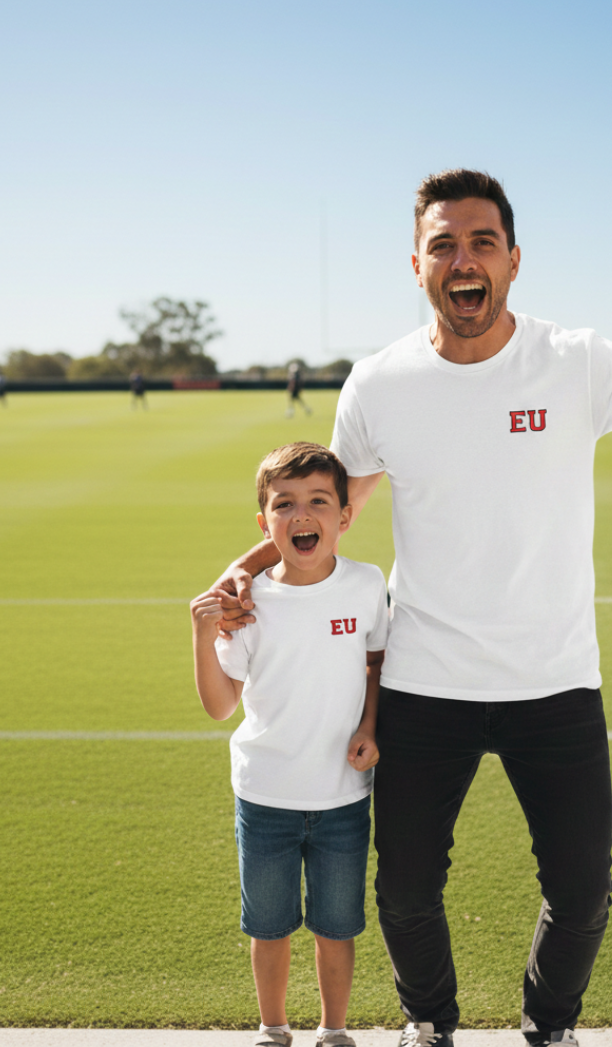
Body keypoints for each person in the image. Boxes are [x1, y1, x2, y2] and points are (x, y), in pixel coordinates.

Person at [209, 170, 612, 1047]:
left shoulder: (576, 360)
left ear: (513, 260)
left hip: (557, 676)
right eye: (444, 244)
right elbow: (326, 512)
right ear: (417, 264)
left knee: (583, 891)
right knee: (404, 891)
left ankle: (549, 1026)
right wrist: (240, 573)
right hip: (427, 680)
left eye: (482, 242)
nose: (464, 259)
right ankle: (430, 1022)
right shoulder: (380, 383)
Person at [191, 442, 389, 1047]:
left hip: (342, 797)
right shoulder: (247, 603)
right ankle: (273, 1028)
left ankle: (334, 1031)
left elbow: (378, 663)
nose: (302, 515)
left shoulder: (365, 584)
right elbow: (221, 705)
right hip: (266, 796)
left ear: (344, 517)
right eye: (284, 504)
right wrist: (199, 634)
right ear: (264, 523)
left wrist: (370, 727)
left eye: (318, 502)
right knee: (270, 927)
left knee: (337, 927)